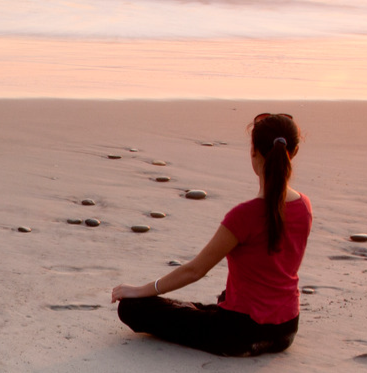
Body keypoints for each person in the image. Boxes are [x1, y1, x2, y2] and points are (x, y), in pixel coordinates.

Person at [110, 113, 310, 357]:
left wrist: (141, 289)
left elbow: (195, 271)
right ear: (295, 152)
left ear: (253, 152)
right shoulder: (304, 206)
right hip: (286, 329)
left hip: (241, 333)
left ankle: (196, 311)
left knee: (132, 308)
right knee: (224, 298)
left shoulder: (245, 215)